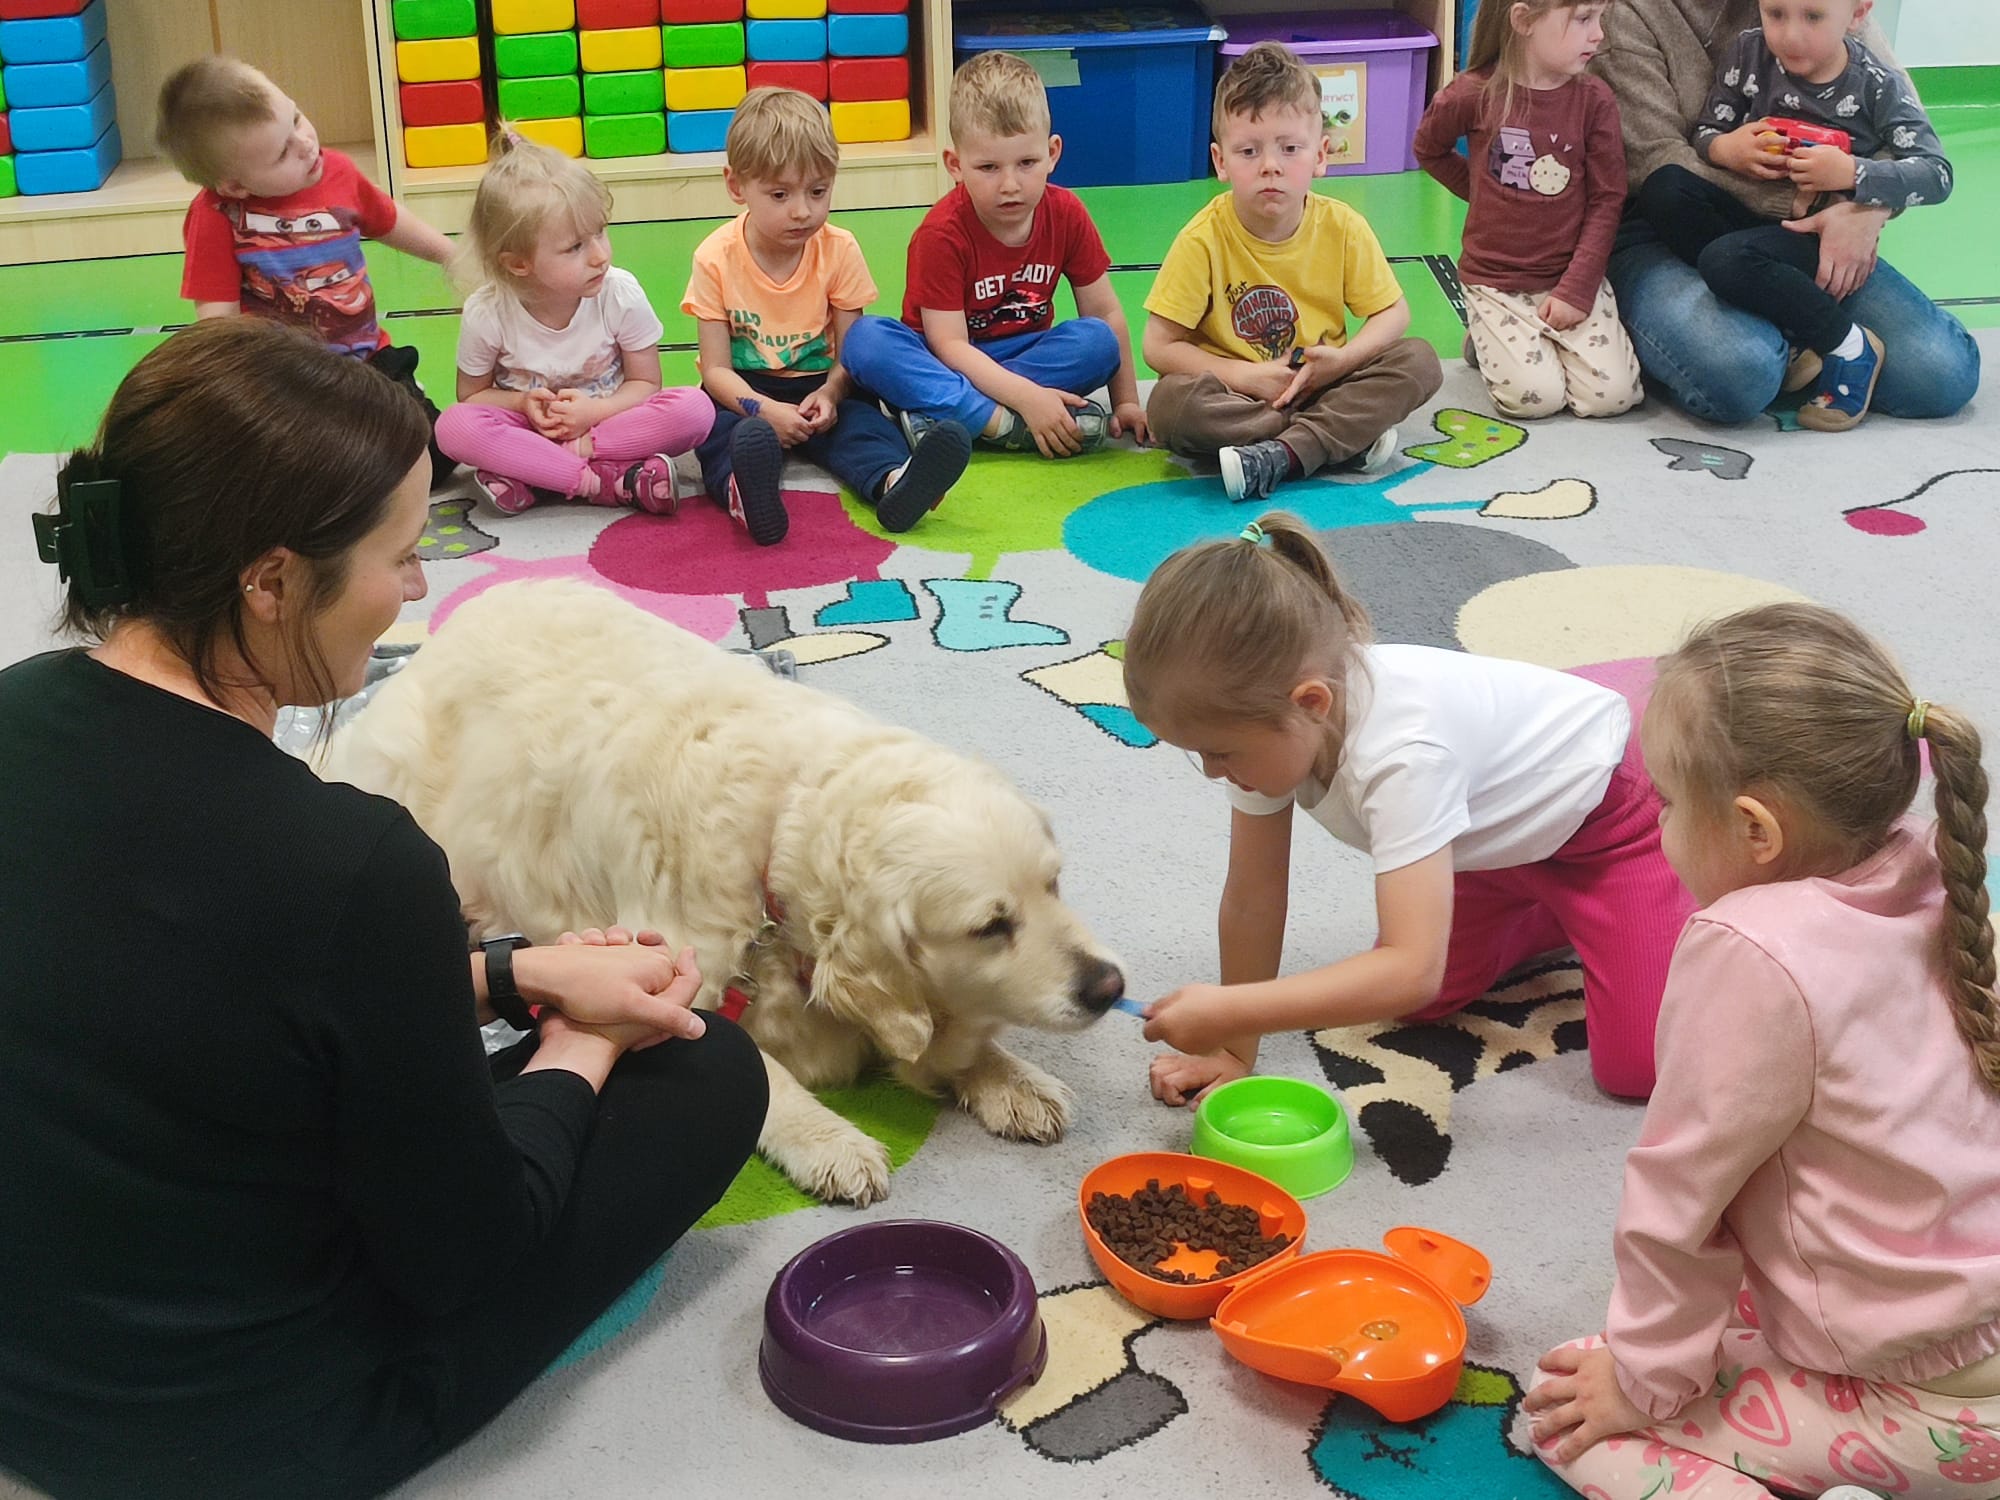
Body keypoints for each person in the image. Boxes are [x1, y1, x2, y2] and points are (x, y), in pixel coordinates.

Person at [0, 318, 767, 1500]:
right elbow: (465, 1255)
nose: (416, 588)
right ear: (269, 582)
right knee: (712, 1071)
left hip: (27, 1382)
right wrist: (576, 1048)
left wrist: (509, 973)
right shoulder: (352, 865)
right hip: (252, 1433)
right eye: (399, 554)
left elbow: (171, 989)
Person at [1525, 603, 2000, 1500]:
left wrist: (1645, 1383)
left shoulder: (1750, 947)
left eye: (1666, 802)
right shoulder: (1930, 864)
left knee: (1575, 1420)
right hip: (1968, 1324)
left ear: (1755, 830)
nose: (1657, 826)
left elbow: (1681, 1191)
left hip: (1944, 1413)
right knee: (1643, 1349)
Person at [1122, 513, 1693, 1105]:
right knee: (1429, 1002)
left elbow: (1407, 970)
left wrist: (1229, 1006)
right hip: (1489, 843)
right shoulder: (1268, 728)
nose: (1214, 771)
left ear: (1312, 703)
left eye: (1218, 753)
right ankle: (1562, 912)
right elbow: (1252, 895)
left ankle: (1680, 886)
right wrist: (1233, 1047)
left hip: (1615, 823)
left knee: (1636, 1069)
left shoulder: (1402, 756)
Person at [1597, 0, 1977, 425]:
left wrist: (1862, 207)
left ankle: (1821, 343)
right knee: (1744, 370)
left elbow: (1913, 144)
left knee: (1940, 374)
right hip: (1673, 228)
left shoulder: (1836, 17)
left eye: (1812, 18)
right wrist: (1747, 166)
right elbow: (1655, 160)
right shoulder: (1634, 17)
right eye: (1775, 15)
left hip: (1800, 229)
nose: (1791, 37)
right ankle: (1808, 340)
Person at [1143, 42, 1444, 503]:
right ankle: (1331, 442)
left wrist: (1344, 361)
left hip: (1323, 383)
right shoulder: (1202, 238)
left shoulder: (1342, 226)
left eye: (1289, 148)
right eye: (1248, 151)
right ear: (1220, 162)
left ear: (1320, 155)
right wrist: (1244, 376)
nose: (1270, 166)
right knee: (1168, 406)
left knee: (1419, 360)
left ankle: (1282, 452)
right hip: (1240, 393)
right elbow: (1158, 347)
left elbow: (1393, 314)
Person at [684, 87, 972, 545]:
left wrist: (832, 393)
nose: (803, 210)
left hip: (822, 384)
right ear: (736, 185)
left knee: (864, 427)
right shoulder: (714, 257)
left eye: (818, 191)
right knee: (716, 430)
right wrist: (766, 410)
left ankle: (895, 483)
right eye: (780, 194)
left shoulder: (839, 249)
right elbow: (716, 370)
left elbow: (852, 350)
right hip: (744, 392)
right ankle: (745, 493)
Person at [157, 55, 458, 482]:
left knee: (436, 460)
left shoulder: (337, 172)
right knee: (306, 477)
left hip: (369, 360)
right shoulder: (218, 214)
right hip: (289, 382)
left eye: (296, 119)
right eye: (282, 153)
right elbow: (216, 319)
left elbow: (389, 221)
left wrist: (451, 256)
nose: (306, 144)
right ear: (236, 185)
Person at [840, 50, 1148, 459]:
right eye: (988, 167)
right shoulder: (941, 233)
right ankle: (1000, 423)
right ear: (955, 164)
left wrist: (1126, 402)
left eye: (1026, 163)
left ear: (1053, 153)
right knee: (866, 340)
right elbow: (949, 346)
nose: (1010, 184)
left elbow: (1106, 314)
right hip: (943, 357)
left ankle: (944, 416)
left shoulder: (1067, 213)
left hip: (1021, 353)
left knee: (1098, 342)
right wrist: (1027, 399)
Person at [433, 131, 715, 515]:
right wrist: (521, 402)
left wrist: (592, 416)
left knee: (695, 408)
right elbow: (472, 396)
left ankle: (536, 474)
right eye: (574, 247)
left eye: (599, 231)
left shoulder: (619, 292)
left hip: (607, 422)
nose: (600, 255)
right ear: (518, 263)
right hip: (532, 430)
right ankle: (604, 483)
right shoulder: (488, 311)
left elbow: (646, 384)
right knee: (452, 426)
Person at [1414, 1, 1644, 419]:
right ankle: (1486, 339)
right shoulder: (1473, 93)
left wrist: (1577, 288)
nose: (1599, 35)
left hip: (1568, 277)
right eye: (1583, 19)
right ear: (1523, 21)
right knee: (1535, 399)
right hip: (1496, 282)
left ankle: (1523, 342)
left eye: (1599, 18)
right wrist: (1484, 193)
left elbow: (1607, 197)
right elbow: (1429, 148)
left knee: (1612, 397)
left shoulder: (1594, 100)